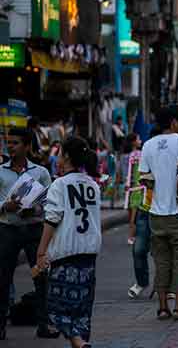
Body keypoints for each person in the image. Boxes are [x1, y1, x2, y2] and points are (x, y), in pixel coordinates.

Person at [36, 136, 102, 348]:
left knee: (57, 307)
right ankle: (80, 341)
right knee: (82, 306)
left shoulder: (59, 185)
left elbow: (52, 218)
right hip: (89, 252)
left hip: (66, 252)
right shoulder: (93, 184)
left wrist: (41, 251)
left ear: (65, 157)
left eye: (59, 154)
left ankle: (77, 341)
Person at [139, 105, 178, 320]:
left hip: (157, 213)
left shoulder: (148, 145)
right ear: (174, 121)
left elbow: (144, 178)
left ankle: (163, 306)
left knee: (161, 260)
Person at [0, 128, 58, 340]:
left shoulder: (40, 172)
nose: (10, 147)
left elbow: (51, 201)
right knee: (3, 277)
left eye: (15, 143)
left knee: (41, 276)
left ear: (26, 146)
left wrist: (34, 209)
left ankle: (44, 324)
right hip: (7, 229)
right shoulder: (0, 172)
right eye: (9, 142)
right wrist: (6, 206)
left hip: (34, 230)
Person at [121, 133, 149, 300]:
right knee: (139, 249)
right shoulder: (138, 156)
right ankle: (141, 282)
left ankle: (167, 287)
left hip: (163, 209)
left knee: (164, 253)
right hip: (144, 204)